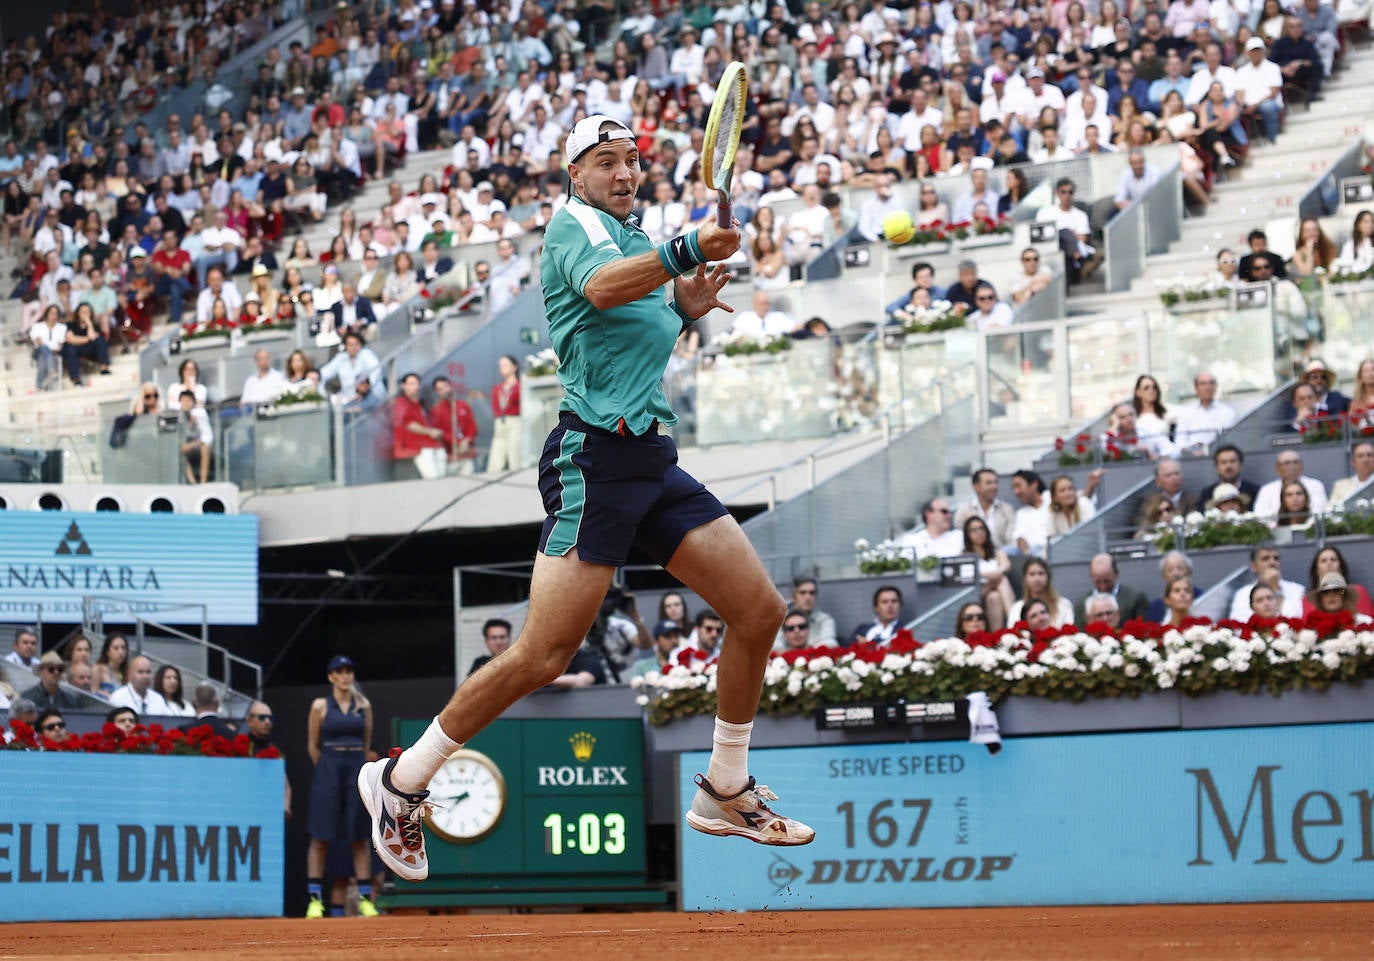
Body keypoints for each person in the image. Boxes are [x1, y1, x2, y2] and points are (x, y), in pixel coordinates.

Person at [355, 115, 814, 879]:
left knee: (760, 610)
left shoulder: (633, 240)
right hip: (592, 459)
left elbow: (638, 316)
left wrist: (685, 304)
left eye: (632, 162)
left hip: (652, 459)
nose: (624, 174)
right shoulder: (573, 228)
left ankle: (726, 787)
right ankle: (401, 780)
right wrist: (688, 250)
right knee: (542, 653)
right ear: (575, 173)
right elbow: (600, 292)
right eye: (606, 162)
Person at [306, 655, 380, 919]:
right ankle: (315, 901)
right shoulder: (319, 706)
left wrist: (354, 763)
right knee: (320, 835)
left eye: (349, 670)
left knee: (359, 835)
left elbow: (366, 742)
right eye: (339, 671)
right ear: (331, 677)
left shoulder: (364, 705)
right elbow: (312, 746)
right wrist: (327, 766)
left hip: (354, 765)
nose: (345, 675)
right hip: (329, 766)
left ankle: (365, 901)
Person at [1229, 545, 1306, 620]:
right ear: (1254, 566)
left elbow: (1298, 619)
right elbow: (1239, 626)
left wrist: (1275, 590)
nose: (1272, 562)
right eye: (1265, 558)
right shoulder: (1242, 594)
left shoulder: (1297, 590)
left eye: (1276, 558)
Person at [393, 373, 446, 480]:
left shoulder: (419, 404)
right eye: (412, 384)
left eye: (417, 383)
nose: (416, 387)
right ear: (404, 386)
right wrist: (430, 432)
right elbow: (409, 424)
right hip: (419, 448)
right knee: (433, 480)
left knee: (442, 479)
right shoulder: (401, 403)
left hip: (432, 445)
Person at [964, 517, 1014, 630]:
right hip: (978, 593)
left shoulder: (996, 552)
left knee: (994, 597)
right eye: (974, 530)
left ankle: (998, 635)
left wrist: (995, 574)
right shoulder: (965, 556)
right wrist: (989, 575)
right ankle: (1015, 621)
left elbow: (1006, 565)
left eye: (982, 528)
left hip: (996, 592)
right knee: (1001, 579)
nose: (979, 532)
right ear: (967, 534)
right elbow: (969, 575)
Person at [1074, 553, 1150, 624]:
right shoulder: (1081, 604)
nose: (1103, 586)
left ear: (1116, 574)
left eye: (1107, 581)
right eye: (1098, 582)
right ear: (1091, 577)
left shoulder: (1135, 599)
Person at [1174, 372, 1237, 453]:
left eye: (1211, 383)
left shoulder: (1227, 412)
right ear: (1196, 389)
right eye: (1203, 384)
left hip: (1218, 457)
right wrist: (1192, 451)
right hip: (1191, 458)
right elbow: (1180, 442)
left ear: (1215, 387)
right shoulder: (1186, 412)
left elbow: (1229, 441)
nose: (1208, 387)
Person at [953, 469, 1017, 549]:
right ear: (976, 486)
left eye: (996, 482)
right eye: (989, 483)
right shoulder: (963, 511)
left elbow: (1011, 539)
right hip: (973, 556)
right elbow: (960, 540)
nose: (994, 487)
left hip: (1002, 555)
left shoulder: (1007, 509)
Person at [1253, 451, 1329, 517]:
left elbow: (1320, 510)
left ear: (1302, 466)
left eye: (1295, 462)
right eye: (1287, 463)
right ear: (1277, 468)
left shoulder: (1316, 485)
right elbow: (1260, 515)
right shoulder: (1267, 489)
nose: (1292, 466)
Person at [1304, 546, 1374, 616]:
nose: (1329, 563)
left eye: (1333, 559)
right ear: (1316, 569)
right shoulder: (1308, 599)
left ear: (1341, 567)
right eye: (1323, 560)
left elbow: (1369, 621)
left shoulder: (1358, 591)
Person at [1007, 557, 1074, 627]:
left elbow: (1069, 632)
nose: (1037, 579)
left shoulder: (1064, 604)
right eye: (1032, 574)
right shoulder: (1017, 608)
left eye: (1041, 573)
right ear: (1025, 578)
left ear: (1048, 577)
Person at [485, 354, 522, 472]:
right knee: (497, 453)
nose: (502, 368)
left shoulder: (520, 385)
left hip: (515, 420)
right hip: (500, 421)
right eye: (500, 366)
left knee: (515, 452)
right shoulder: (497, 388)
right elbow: (495, 406)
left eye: (505, 365)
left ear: (514, 367)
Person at [896, 497, 966, 559]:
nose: (949, 515)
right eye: (944, 511)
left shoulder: (960, 536)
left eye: (950, 512)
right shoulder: (912, 541)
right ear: (929, 514)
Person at [1196, 444, 1260, 509]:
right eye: (1223, 462)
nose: (1228, 466)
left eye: (1232, 461)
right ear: (1217, 468)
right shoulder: (1207, 494)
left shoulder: (1254, 492)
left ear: (1240, 466)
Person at [21, 651, 85, 712]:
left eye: (60, 669)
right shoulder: (28, 698)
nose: (56, 672)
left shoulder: (71, 700)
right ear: (41, 672)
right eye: (51, 669)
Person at [781, 577, 837, 646]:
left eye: (812, 593)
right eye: (802, 593)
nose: (808, 597)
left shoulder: (825, 619)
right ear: (793, 597)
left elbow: (830, 644)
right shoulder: (781, 619)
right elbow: (776, 646)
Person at [1011, 469, 1050, 556]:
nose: (1016, 492)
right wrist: (1027, 554)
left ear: (1034, 484)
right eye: (1013, 488)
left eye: (1018, 486)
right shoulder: (1021, 513)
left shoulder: (1052, 499)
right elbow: (1019, 538)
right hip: (1033, 556)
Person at [178, 389, 214, 485]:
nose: (186, 403)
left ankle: (203, 482)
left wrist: (193, 444)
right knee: (180, 451)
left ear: (193, 403)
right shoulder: (178, 418)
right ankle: (192, 482)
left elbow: (207, 437)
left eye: (189, 400)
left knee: (205, 448)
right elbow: (180, 442)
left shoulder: (199, 416)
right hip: (185, 448)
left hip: (196, 447)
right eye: (183, 400)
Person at [1330, 442, 1374, 507]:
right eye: (1360, 456)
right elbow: (1330, 511)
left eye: (1369, 455)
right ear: (1353, 462)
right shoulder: (1340, 486)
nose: (1366, 460)